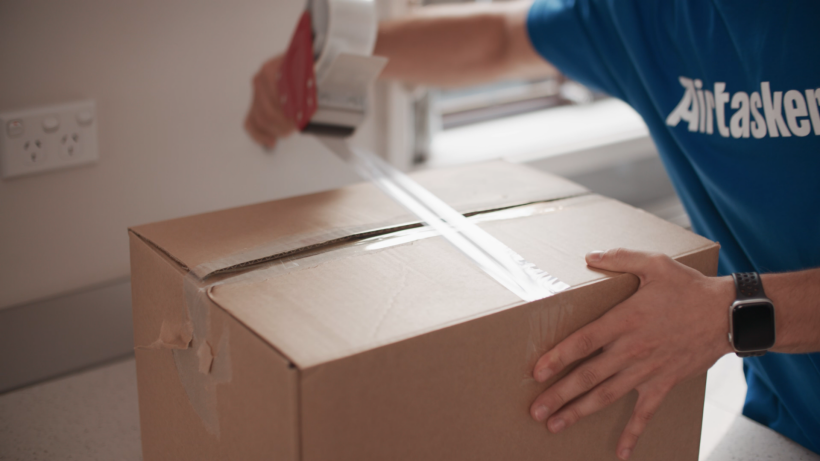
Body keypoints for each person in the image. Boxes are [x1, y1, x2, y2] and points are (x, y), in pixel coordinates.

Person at [245, 1, 820, 459]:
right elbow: (503, 37)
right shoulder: (649, 16)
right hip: (789, 416)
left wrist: (727, 314)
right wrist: (332, 59)